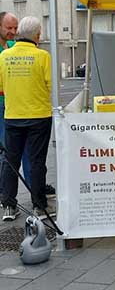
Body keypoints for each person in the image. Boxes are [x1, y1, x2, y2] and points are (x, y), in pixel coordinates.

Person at [0, 17, 54, 221]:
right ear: (38, 36)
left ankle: (9, 206)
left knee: (10, 161)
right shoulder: (42, 56)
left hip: (13, 116)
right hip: (39, 116)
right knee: (36, 160)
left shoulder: (4, 56)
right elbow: (50, 86)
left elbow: (1, 87)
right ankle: (39, 206)